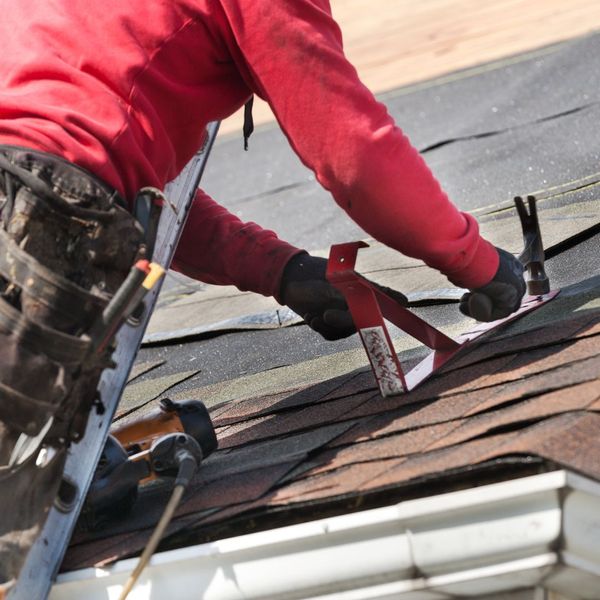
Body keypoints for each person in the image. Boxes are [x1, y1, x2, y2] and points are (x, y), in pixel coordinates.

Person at [0, 0, 525, 590]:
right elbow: (352, 152)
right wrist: (476, 262)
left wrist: (280, 269)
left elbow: (122, 180)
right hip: (34, 223)